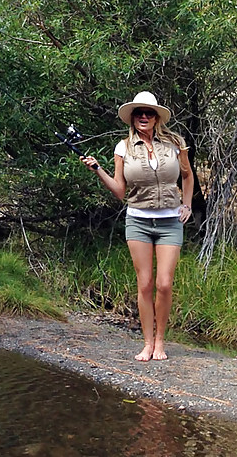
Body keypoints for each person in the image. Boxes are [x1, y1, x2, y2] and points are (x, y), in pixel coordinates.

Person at [80, 91, 194, 362]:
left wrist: (186, 204)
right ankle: (146, 343)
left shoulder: (176, 143)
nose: (144, 117)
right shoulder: (123, 148)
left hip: (170, 221)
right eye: (139, 113)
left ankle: (160, 341)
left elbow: (188, 177)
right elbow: (120, 190)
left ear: (157, 118)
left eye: (149, 113)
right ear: (132, 118)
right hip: (138, 221)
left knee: (164, 284)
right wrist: (98, 170)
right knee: (145, 284)